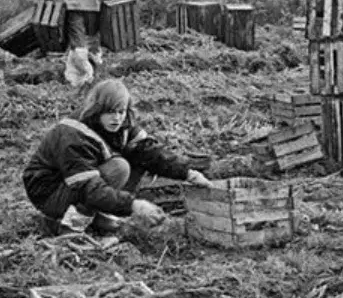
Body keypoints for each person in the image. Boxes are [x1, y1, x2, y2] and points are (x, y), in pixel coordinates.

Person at [23, 78, 212, 236]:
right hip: (49, 192)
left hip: (79, 185)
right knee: (119, 168)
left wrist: (188, 173)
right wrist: (134, 205)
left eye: (121, 111)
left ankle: (100, 215)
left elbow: (150, 152)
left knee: (139, 157)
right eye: (110, 112)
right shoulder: (73, 135)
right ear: (97, 110)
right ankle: (71, 224)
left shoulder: (122, 125)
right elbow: (88, 188)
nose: (117, 118)